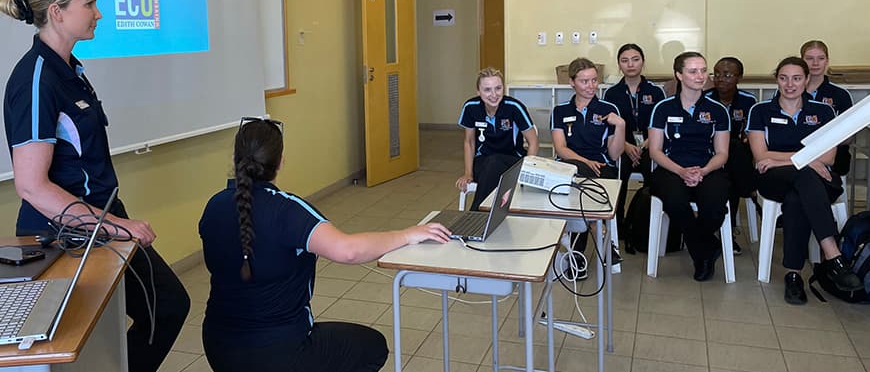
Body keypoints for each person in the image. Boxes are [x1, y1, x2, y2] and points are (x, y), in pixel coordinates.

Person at [1, 0, 189, 372]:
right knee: (79, 342)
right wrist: (116, 228)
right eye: (90, 3)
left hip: (100, 219)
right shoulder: (35, 80)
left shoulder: (71, 69)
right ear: (57, 11)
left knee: (166, 307)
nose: (98, 12)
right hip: (63, 233)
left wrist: (113, 222)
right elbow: (32, 186)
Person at [199, 118, 451, 372]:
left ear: (235, 159)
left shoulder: (213, 206)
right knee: (372, 347)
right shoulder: (286, 209)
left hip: (218, 348)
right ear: (280, 161)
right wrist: (406, 234)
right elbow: (348, 250)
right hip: (280, 352)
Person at [746, 57, 863, 305]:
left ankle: (793, 276)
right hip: (774, 179)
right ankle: (833, 256)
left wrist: (781, 160)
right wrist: (809, 159)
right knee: (805, 174)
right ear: (776, 80)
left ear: (807, 80)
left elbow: (829, 157)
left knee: (797, 196)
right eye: (783, 78)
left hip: (817, 181)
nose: (790, 84)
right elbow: (760, 156)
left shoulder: (822, 111)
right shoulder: (760, 111)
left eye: (797, 78)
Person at [648, 52, 730, 282]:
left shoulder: (717, 110)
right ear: (679, 75)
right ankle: (706, 249)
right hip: (671, 168)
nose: (700, 76)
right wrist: (681, 171)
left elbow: (722, 153)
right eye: (693, 71)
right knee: (674, 200)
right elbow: (655, 151)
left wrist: (702, 171)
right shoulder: (663, 108)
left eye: (703, 70)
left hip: (708, 168)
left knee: (715, 205)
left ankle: (700, 247)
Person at [552, 58, 625, 257]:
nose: (591, 86)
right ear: (572, 82)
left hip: (602, 168)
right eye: (584, 81)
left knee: (579, 189)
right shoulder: (560, 111)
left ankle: (576, 256)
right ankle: (596, 229)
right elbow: (560, 149)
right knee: (577, 178)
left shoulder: (608, 110)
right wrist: (585, 162)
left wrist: (621, 126)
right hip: (569, 168)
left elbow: (615, 154)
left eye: (594, 80)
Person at [603, 44, 665, 235]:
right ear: (619, 65)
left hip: (651, 145)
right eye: (625, 60)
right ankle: (617, 223)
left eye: (635, 59)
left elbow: (661, 123)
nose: (630, 64)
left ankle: (646, 222)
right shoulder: (611, 93)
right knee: (619, 170)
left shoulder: (656, 91)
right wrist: (627, 146)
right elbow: (610, 128)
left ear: (643, 62)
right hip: (622, 147)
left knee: (653, 170)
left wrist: (647, 143)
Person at [456, 67, 538, 211]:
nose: (493, 95)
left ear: (503, 88)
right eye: (487, 90)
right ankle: (485, 218)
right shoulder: (471, 107)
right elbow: (469, 142)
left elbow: (533, 142)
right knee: (491, 165)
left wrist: (527, 171)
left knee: (494, 164)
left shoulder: (514, 107)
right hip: (483, 161)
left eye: (498, 88)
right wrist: (468, 173)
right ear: (478, 91)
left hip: (512, 160)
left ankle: (475, 217)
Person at [704, 57, 757, 255]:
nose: (720, 79)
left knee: (734, 157)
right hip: (711, 153)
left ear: (739, 77)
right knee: (732, 149)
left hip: (738, 157)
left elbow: (752, 131)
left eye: (727, 74)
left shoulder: (748, 100)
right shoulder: (706, 98)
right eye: (716, 74)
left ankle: (728, 232)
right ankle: (752, 192)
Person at [800, 40, 853, 176]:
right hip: (797, 150)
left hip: (832, 153)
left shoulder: (841, 94)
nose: (815, 63)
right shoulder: (790, 90)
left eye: (821, 58)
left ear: (827, 61)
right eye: (809, 58)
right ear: (801, 61)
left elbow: (848, 136)